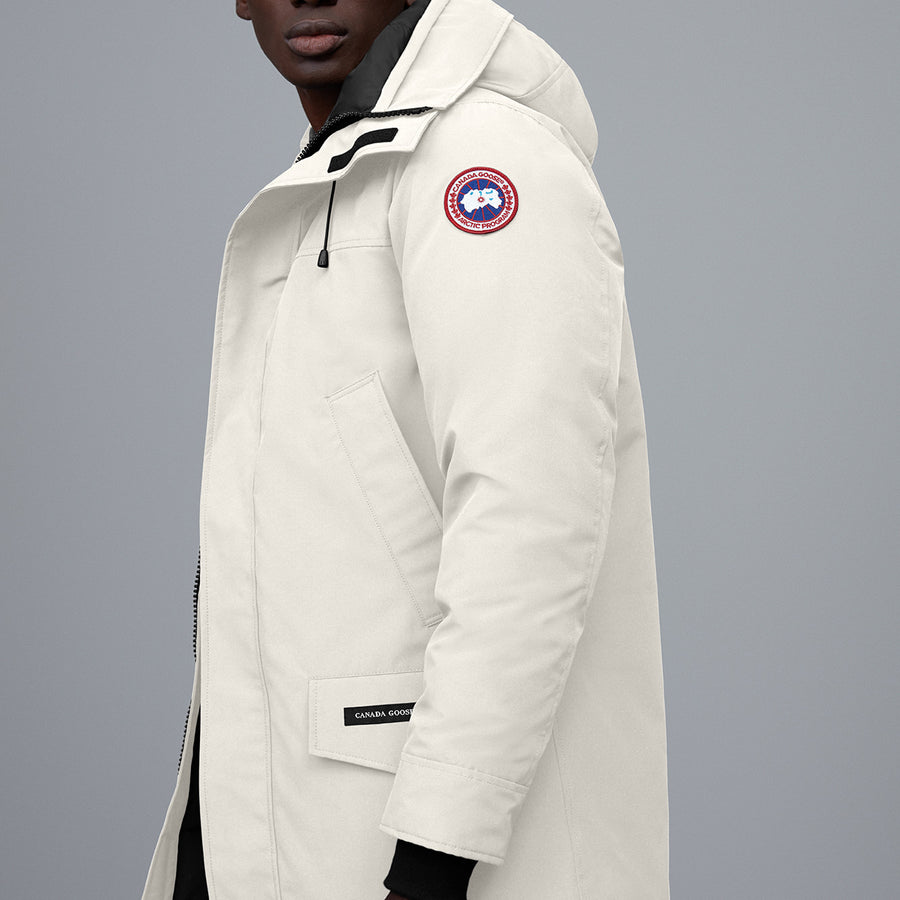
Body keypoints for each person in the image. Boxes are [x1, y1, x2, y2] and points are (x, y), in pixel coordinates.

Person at [140, 0, 670, 898]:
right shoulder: (349, 168)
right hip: (293, 815)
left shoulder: (481, 160)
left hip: (408, 850)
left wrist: (431, 863)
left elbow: (528, 525)